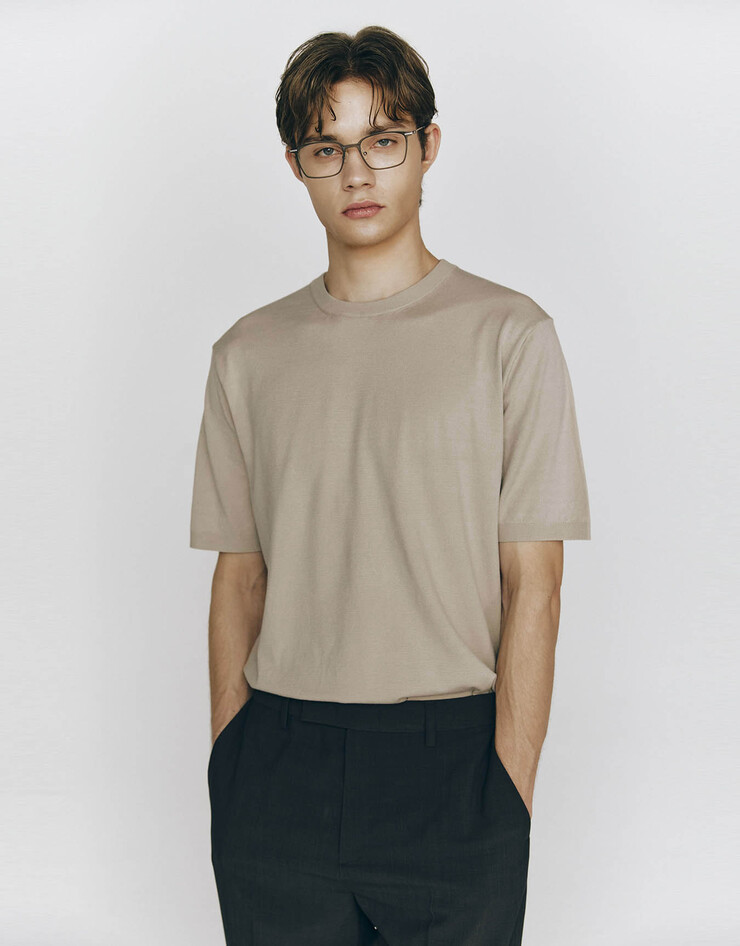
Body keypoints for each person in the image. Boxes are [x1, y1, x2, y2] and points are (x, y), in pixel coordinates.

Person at [189, 24, 591, 946]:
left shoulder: (511, 336)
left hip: (454, 765)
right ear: (297, 166)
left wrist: (510, 789)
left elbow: (534, 585)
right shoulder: (247, 353)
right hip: (278, 766)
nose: (357, 174)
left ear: (427, 147)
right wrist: (230, 760)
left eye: (383, 140)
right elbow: (239, 578)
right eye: (326, 148)